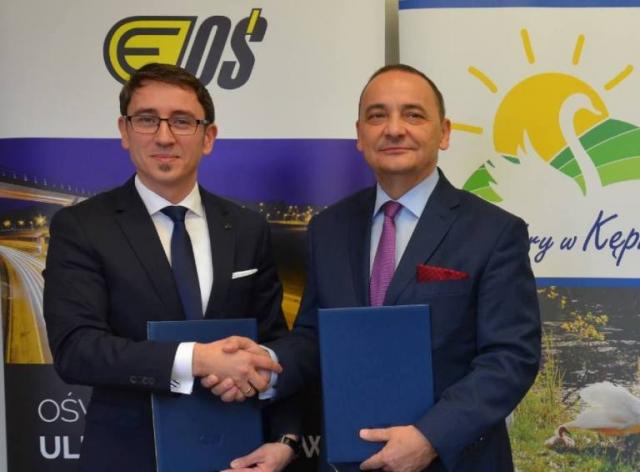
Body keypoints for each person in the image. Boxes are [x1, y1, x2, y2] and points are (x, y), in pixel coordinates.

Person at [212, 64, 541, 471]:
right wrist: (266, 363)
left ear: (444, 133)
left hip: (454, 461)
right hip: (349, 459)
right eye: (377, 115)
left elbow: (510, 357)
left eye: (413, 114)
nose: (394, 129)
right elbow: (315, 335)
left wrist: (430, 437)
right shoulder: (328, 228)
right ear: (360, 134)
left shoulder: (494, 231)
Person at [43, 63, 296, 471]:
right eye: (147, 120)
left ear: (208, 137)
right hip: (129, 459)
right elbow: (77, 350)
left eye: (182, 121)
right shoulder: (82, 227)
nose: (164, 136)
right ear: (124, 131)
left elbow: (274, 344)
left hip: (239, 454)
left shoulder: (247, 228)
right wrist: (198, 359)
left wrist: (286, 440)